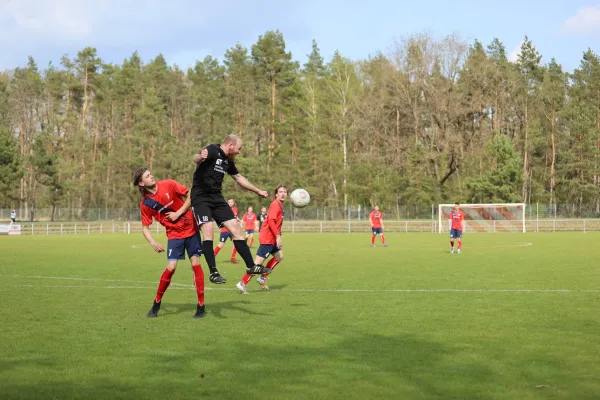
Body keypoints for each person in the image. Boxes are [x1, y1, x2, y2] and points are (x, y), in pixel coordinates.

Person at [191, 134, 270, 284]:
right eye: (239, 148)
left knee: (236, 228)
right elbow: (196, 158)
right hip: (201, 197)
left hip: (217, 198)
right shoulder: (213, 150)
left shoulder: (228, 161)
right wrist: (200, 156)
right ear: (231, 145)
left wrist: (257, 190)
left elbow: (239, 178)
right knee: (208, 231)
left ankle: (251, 266)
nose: (239, 152)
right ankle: (213, 272)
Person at [133, 168, 206, 319]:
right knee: (171, 267)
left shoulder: (169, 184)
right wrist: (152, 242)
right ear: (141, 183)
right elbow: (145, 227)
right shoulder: (146, 203)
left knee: (195, 264)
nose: (151, 176)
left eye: (151, 173)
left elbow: (191, 195)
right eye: (147, 176)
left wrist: (178, 213)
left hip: (191, 229)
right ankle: (156, 303)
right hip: (174, 235)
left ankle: (201, 305)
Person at [236, 185, 287, 294]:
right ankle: (242, 283)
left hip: (272, 237)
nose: (283, 193)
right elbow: (271, 222)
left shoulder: (280, 205)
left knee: (279, 256)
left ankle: (262, 278)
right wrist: (278, 236)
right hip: (267, 238)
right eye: (280, 192)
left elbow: (277, 223)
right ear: (276, 194)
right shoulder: (275, 205)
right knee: (257, 264)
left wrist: (278, 236)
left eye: (285, 192)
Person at [214, 199, 240, 264]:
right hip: (225, 230)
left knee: (236, 243)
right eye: (229, 202)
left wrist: (238, 219)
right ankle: (212, 256)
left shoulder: (235, 209)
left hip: (232, 230)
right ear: (227, 203)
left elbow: (235, 216)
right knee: (221, 244)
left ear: (233, 203)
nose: (230, 203)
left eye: (232, 202)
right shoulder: (224, 209)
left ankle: (233, 258)